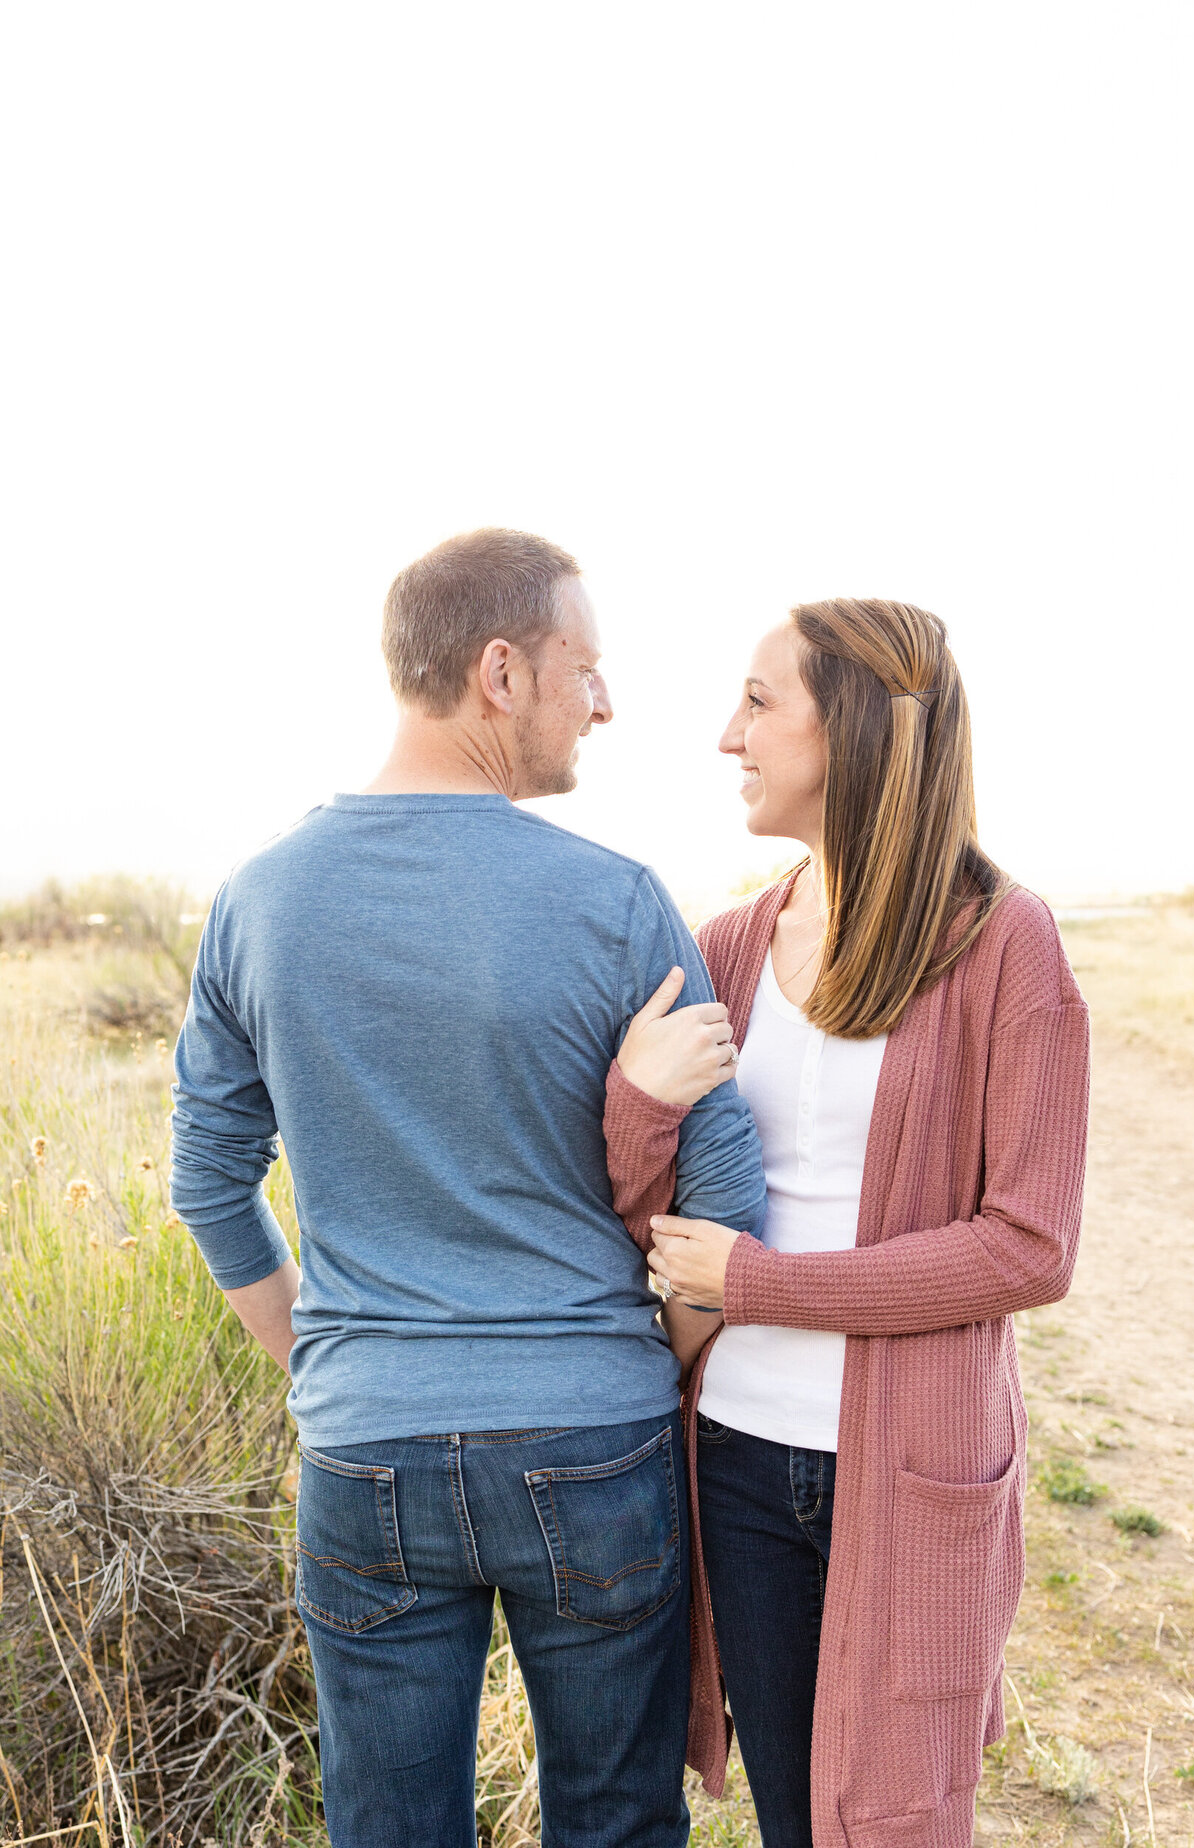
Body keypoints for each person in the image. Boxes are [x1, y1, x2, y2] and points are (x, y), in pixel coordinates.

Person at [168, 529, 767, 1848]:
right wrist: (637, 1359)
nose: (603, 702)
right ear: (501, 670)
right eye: (584, 668)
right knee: (613, 1821)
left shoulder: (256, 903)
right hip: (594, 1436)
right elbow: (724, 1203)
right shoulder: (618, 903)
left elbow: (209, 1183)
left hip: (364, 1441)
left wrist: (329, 1363)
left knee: (388, 1826)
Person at [603, 599, 1090, 1848]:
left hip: (914, 1469)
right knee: (790, 1821)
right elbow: (633, 1202)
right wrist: (635, 1104)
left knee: (896, 1822)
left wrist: (770, 1286)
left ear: (858, 727)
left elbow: (1031, 1246)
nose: (729, 736)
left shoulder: (1001, 944)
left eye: (760, 702)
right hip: (742, 1460)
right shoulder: (724, 945)